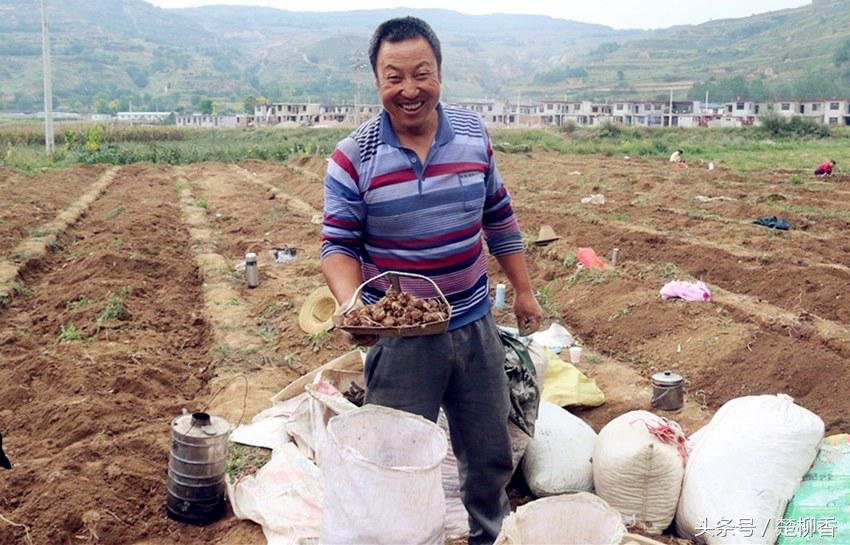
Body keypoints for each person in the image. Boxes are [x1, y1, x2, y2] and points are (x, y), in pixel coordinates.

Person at [320, 16, 543, 545]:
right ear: (377, 82)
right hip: (402, 339)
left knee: (488, 451)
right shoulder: (353, 158)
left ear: (440, 72)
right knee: (393, 456)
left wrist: (526, 290)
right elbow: (337, 246)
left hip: (474, 324)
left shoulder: (472, 135)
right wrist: (355, 305)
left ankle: (486, 534)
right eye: (393, 77)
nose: (409, 90)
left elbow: (498, 215)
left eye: (421, 74)